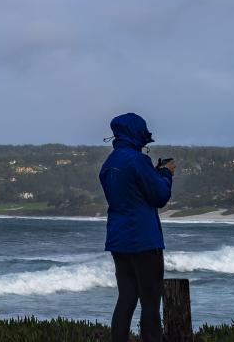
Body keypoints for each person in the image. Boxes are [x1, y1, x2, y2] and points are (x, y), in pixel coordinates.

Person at [99, 112, 176, 342]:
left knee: (126, 298)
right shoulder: (137, 160)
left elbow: (129, 194)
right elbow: (159, 196)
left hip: (118, 240)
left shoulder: (109, 163)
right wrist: (165, 173)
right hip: (143, 239)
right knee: (151, 303)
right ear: (137, 133)